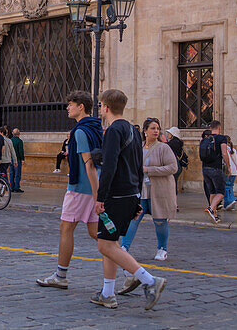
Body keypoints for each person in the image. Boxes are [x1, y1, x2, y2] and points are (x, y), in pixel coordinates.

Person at [91, 89, 167, 310]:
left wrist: (100, 197)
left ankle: (149, 281)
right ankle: (107, 293)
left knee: (105, 245)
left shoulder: (114, 131)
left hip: (116, 195)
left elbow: (109, 166)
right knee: (111, 244)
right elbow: (138, 166)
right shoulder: (132, 130)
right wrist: (136, 199)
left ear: (105, 107)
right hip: (130, 193)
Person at [36, 90, 101, 290]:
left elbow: (88, 164)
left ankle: (60, 275)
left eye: (70, 104)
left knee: (66, 228)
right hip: (93, 187)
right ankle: (129, 269)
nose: (67, 108)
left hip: (81, 188)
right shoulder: (96, 127)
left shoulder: (80, 131)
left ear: (81, 107)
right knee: (96, 232)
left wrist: (98, 195)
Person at [118, 118, 177, 274]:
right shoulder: (139, 147)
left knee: (160, 219)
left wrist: (149, 170)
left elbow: (172, 167)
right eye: (152, 128)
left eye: (157, 128)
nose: (156, 131)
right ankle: (125, 246)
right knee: (134, 218)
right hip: (142, 190)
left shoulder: (164, 148)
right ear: (145, 131)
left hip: (159, 190)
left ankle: (162, 248)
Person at [200, 120, 232, 223]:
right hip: (216, 168)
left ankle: (214, 214)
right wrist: (228, 166)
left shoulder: (205, 139)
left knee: (212, 191)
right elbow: (224, 153)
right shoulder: (221, 138)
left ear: (210, 128)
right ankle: (211, 208)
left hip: (205, 168)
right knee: (221, 192)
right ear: (219, 128)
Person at [164, 126, 187, 197]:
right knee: (173, 183)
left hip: (176, 166)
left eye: (169, 133)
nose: (167, 135)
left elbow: (165, 147)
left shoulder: (174, 142)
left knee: (172, 184)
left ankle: (173, 202)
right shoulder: (177, 142)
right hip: (177, 166)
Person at [10, 128, 25, 193]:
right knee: (17, 174)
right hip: (17, 159)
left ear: (12, 134)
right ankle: (16, 187)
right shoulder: (19, 141)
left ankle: (11, 187)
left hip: (11, 159)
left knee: (11, 173)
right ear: (19, 134)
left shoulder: (10, 140)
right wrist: (22, 159)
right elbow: (20, 151)